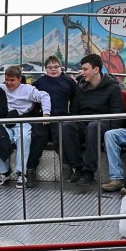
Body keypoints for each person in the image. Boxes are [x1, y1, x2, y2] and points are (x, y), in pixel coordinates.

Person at [62, 53, 123, 186]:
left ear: (96, 70)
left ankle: (89, 172)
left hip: (104, 124)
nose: (82, 72)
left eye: (85, 69)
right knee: (67, 126)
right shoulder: (80, 88)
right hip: (85, 123)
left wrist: (111, 135)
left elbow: (117, 114)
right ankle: (77, 167)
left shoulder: (113, 88)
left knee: (94, 126)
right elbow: (75, 111)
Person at [0, 65, 51, 187]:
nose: (9, 83)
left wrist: (46, 113)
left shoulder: (28, 89)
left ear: (19, 79)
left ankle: (21, 173)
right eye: (7, 79)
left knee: (24, 138)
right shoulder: (1, 88)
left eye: (12, 80)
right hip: (6, 121)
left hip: (23, 121)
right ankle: (2, 171)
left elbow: (44, 96)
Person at [29, 55, 79, 183]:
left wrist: (73, 115)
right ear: (45, 69)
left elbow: (76, 101)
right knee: (38, 137)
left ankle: (66, 166)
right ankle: (30, 169)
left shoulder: (68, 82)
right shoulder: (39, 82)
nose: (53, 69)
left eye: (56, 66)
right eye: (50, 67)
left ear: (61, 67)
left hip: (61, 117)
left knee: (59, 137)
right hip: (43, 118)